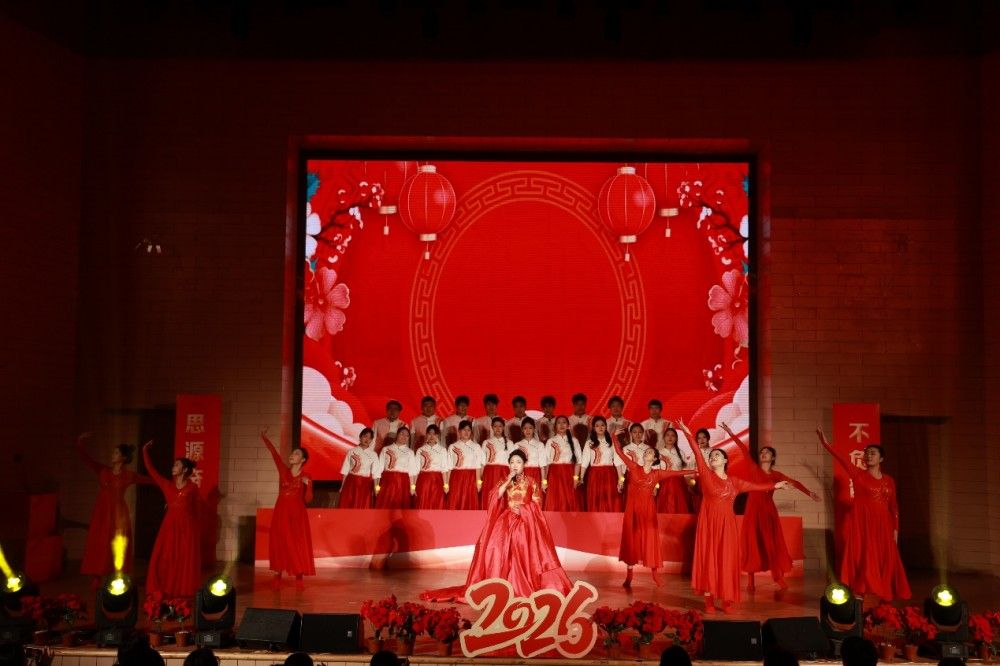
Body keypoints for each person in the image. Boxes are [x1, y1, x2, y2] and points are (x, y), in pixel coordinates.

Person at [420, 449, 572, 602]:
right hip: (506, 522)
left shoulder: (532, 482)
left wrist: (524, 510)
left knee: (522, 546)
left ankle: (522, 585)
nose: (515, 465)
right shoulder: (504, 481)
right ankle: (500, 585)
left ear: (524, 464)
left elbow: (537, 504)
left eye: (518, 462)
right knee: (495, 547)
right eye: (512, 462)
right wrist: (507, 481)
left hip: (525, 523)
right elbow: (494, 496)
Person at [676, 420, 791, 613]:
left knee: (726, 560)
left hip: (727, 526)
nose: (713, 457)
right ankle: (709, 600)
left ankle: (726, 599)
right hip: (709, 525)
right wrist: (688, 432)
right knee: (710, 560)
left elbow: (756, 487)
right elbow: (696, 451)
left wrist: (775, 485)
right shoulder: (706, 474)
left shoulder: (735, 482)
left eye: (717, 455)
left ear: (725, 461)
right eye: (711, 456)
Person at [719, 422, 819, 592]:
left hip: (768, 512)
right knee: (752, 543)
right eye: (762, 452)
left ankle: (777, 577)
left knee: (770, 545)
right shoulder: (753, 468)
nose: (763, 453)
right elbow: (742, 448)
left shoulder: (776, 475)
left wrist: (809, 493)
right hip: (752, 511)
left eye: (767, 452)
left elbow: (794, 483)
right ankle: (751, 581)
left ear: (772, 458)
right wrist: (730, 433)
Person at [816, 428, 911, 601]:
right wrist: (826, 443)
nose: (868, 456)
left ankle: (884, 590)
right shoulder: (858, 474)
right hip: (864, 524)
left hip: (884, 525)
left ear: (881, 458)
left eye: (873, 453)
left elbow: (893, 507)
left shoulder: (889, 480)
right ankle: (859, 589)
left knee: (884, 557)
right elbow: (841, 458)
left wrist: (895, 529)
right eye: (866, 453)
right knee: (863, 555)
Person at [613, 430, 688, 588]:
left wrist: (697, 470)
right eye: (646, 451)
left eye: (651, 452)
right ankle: (629, 577)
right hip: (632, 510)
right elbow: (619, 452)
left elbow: (678, 472)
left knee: (650, 540)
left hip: (648, 510)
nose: (648, 453)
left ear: (654, 459)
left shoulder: (657, 473)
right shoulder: (634, 467)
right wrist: (614, 435)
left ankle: (655, 576)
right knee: (631, 541)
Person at [75, 433, 152, 583]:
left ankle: (116, 574)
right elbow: (86, 459)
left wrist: (170, 485)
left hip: (118, 513)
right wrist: (80, 442)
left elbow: (150, 480)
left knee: (115, 542)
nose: (113, 455)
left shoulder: (128, 475)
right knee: (99, 542)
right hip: (102, 511)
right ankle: (96, 575)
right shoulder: (103, 470)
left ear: (123, 457)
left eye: (116, 453)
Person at [142, 442, 200, 596]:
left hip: (186, 526)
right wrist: (145, 452)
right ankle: (164, 586)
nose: (173, 467)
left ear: (185, 469)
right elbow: (151, 471)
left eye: (177, 465)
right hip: (170, 525)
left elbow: (196, 509)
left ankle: (181, 588)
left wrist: (194, 531)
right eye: (174, 465)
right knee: (166, 556)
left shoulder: (192, 488)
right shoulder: (167, 485)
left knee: (183, 558)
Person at [261, 428, 315, 589]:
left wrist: (308, 486)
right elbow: (274, 454)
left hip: (297, 513)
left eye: (296, 454)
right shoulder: (284, 471)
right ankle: (277, 574)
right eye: (292, 453)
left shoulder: (306, 476)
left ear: (303, 459)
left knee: (297, 543)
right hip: (281, 512)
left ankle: (299, 576)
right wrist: (264, 437)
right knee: (280, 542)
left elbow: (308, 499)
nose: (292, 455)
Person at [580, 417, 625, 512]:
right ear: (593, 428)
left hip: (609, 474)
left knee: (609, 499)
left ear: (606, 426)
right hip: (594, 474)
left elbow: (617, 461)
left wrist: (620, 479)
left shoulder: (612, 441)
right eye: (597, 426)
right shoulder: (589, 442)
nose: (600, 427)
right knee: (596, 499)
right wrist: (581, 477)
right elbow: (585, 461)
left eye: (602, 425)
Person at [544, 416, 582, 511]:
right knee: (555, 500)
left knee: (570, 500)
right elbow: (546, 463)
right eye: (559, 423)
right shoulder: (550, 441)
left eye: (564, 422)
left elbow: (578, 462)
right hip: (554, 474)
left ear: (568, 425)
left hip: (569, 473)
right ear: (555, 426)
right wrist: (544, 480)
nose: (561, 425)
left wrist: (576, 478)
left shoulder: (574, 441)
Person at [374, 426, 418, 509]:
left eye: (407, 435)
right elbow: (379, 470)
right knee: (385, 506)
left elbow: (412, 472)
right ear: (397, 434)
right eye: (402, 434)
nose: (404, 437)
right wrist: (376, 487)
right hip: (387, 481)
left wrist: (412, 488)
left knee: (400, 509)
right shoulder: (386, 449)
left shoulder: (410, 452)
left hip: (403, 483)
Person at [339, 428, 382, 509]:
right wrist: (342, 486)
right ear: (360, 437)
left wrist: (376, 489)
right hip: (351, 483)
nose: (367, 439)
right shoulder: (351, 451)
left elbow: (376, 474)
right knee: (348, 506)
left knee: (362, 507)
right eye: (365, 436)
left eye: (370, 438)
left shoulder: (373, 454)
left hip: (365, 485)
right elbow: (345, 470)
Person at [656, 427, 694, 514]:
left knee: (679, 507)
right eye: (668, 435)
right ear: (664, 437)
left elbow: (685, 470)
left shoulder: (681, 453)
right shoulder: (659, 453)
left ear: (676, 438)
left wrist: (690, 484)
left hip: (679, 484)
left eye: (673, 435)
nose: (670, 437)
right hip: (663, 483)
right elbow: (655, 470)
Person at [414, 425, 451, 510]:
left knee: (437, 503)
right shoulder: (420, 450)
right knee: (423, 502)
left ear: (437, 436)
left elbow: (444, 469)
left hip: (437, 480)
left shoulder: (442, 450)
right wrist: (414, 485)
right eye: (429, 433)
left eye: (434, 434)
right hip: (424, 480)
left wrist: (446, 485)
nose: (432, 436)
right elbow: (416, 470)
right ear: (426, 435)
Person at [448, 421, 483, 510]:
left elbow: (478, 466)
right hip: (456, 478)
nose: (466, 432)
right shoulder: (452, 446)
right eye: (464, 430)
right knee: (456, 501)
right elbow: (449, 467)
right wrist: (447, 484)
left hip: (471, 478)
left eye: (469, 430)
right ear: (459, 431)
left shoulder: (476, 447)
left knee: (470, 502)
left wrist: (479, 483)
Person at [480, 417, 512, 499]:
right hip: (489, 474)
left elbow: (512, 463)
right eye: (495, 426)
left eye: (500, 426)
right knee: (489, 496)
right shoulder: (486, 442)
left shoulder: (510, 443)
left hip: (504, 473)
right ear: (492, 427)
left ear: (503, 427)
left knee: (502, 497)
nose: (498, 428)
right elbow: (482, 462)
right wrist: (480, 478)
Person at [513, 417, 547, 487]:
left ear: (534, 429)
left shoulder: (539, 445)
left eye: (530, 428)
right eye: (525, 428)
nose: (528, 430)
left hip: (535, 475)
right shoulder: (517, 445)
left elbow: (542, 465)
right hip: (521, 475)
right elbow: (514, 465)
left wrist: (544, 481)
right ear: (522, 430)